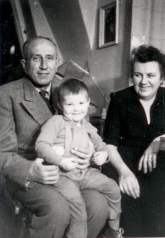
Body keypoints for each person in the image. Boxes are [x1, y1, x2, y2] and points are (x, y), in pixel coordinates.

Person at [0, 36, 110, 238]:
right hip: (29, 175)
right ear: (25, 64)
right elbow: (2, 154)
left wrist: (89, 154)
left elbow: (84, 133)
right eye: (36, 59)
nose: (44, 66)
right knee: (57, 209)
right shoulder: (6, 94)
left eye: (49, 58)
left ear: (57, 62)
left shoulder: (69, 92)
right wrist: (31, 171)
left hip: (70, 173)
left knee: (99, 205)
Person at [103, 45, 165, 236]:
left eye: (151, 75)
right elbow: (109, 145)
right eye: (138, 75)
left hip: (160, 172)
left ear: (162, 77)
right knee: (130, 228)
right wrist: (124, 173)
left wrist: (159, 140)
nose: (144, 81)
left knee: (160, 226)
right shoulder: (119, 100)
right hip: (125, 168)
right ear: (132, 76)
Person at [35, 78, 123, 238]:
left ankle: (113, 231)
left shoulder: (86, 125)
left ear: (88, 102)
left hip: (84, 173)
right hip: (62, 175)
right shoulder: (56, 121)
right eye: (70, 104)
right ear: (61, 105)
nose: (76, 109)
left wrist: (103, 154)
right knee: (79, 209)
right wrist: (61, 161)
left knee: (113, 188)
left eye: (81, 103)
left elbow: (101, 145)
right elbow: (41, 146)